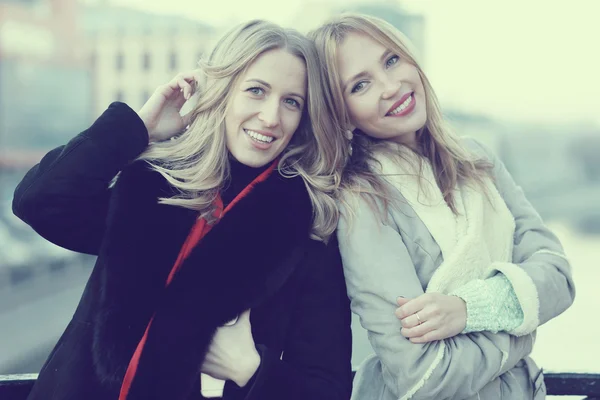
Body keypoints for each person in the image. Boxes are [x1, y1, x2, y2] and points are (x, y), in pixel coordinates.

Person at [12, 20, 352, 400]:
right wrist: (139, 127)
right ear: (223, 92)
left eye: (292, 101)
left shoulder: (306, 227)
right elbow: (39, 201)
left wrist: (251, 369)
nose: (272, 117)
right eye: (256, 91)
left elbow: (328, 386)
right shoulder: (151, 185)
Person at [309, 13, 575, 400]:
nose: (390, 86)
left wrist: (469, 309)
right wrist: (523, 328)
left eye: (391, 60)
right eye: (361, 84)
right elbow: (423, 377)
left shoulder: (477, 160)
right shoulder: (362, 200)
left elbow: (559, 277)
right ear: (340, 111)